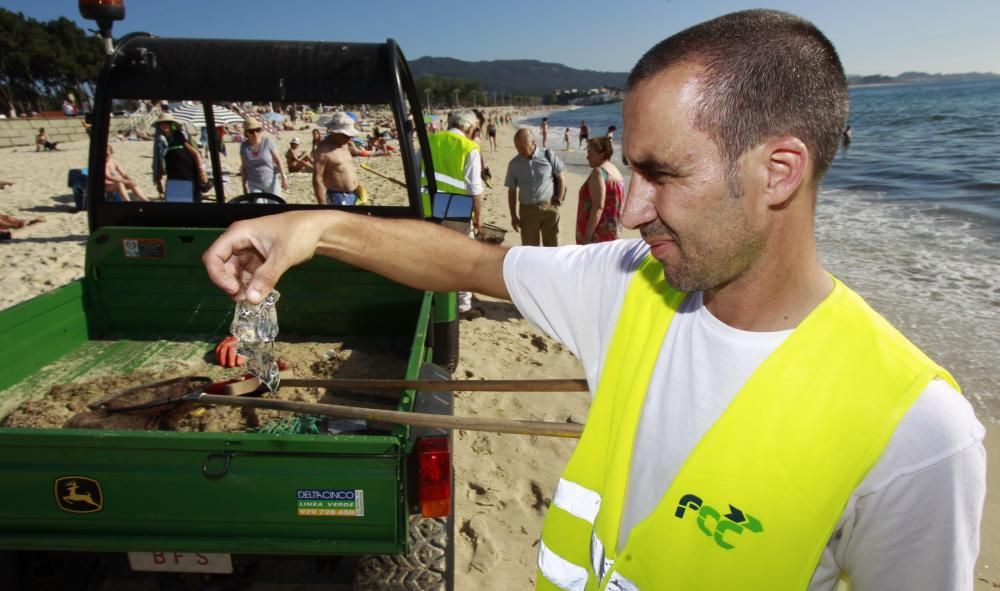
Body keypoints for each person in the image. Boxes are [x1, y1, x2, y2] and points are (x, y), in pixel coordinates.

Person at [202, 10, 984, 590]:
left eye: (664, 173)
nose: (634, 207)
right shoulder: (626, 285)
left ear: (779, 171)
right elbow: (471, 264)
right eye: (631, 170)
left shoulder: (916, 432)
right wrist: (318, 226)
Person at [421, 109, 485, 319]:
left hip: (429, 205)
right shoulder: (469, 148)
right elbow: (475, 190)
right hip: (456, 206)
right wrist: (478, 220)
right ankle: (463, 305)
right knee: (465, 256)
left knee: (434, 254)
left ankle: (434, 298)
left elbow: (416, 171)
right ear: (467, 127)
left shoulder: (428, 141)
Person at [505, 128, 566, 246]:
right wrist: (513, 216)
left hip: (550, 208)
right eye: (517, 148)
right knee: (530, 250)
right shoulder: (514, 164)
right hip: (527, 211)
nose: (520, 151)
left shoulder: (548, 155)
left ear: (533, 143)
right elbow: (511, 191)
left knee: (552, 248)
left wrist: (559, 200)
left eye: (523, 147)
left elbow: (561, 178)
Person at [576, 136, 624, 244]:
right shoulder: (616, 172)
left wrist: (587, 237)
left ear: (601, 155)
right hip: (613, 231)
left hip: (597, 234)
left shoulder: (599, 172)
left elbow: (598, 206)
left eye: (590, 154)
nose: (587, 157)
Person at [152, 113, 208, 201]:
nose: (164, 125)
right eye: (161, 123)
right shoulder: (161, 142)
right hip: (173, 176)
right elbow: (159, 160)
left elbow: (195, 153)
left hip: (188, 174)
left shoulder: (180, 136)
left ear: (171, 124)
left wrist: (202, 171)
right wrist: (158, 180)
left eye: (167, 122)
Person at [313, 112, 364, 205]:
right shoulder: (323, 150)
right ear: (335, 132)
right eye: (346, 136)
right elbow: (317, 178)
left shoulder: (345, 144)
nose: (349, 138)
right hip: (338, 198)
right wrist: (322, 203)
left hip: (355, 193)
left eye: (350, 136)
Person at [240, 118, 287, 197]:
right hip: (254, 183)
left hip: (271, 181)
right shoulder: (244, 146)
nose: (255, 134)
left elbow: (278, 161)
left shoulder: (268, 142)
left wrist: (284, 177)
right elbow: (244, 167)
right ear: (246, 133)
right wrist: (244, 184)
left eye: (257, 130)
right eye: (251, 131)